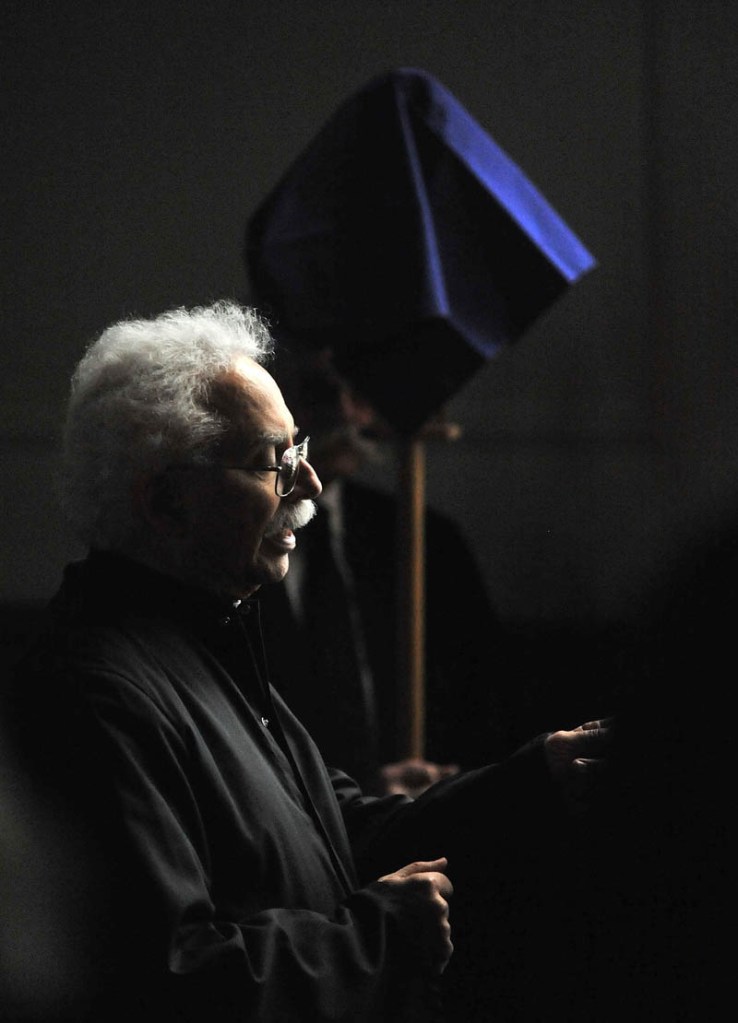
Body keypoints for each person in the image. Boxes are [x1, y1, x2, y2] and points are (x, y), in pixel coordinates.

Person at [3, 299, 610, 1022]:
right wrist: (380, 933)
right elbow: (172, 979)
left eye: (300, 451)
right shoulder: (97, 691)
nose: (310, 486)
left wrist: (533, 779)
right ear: (166, 504)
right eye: (272, 461)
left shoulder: (207, 638)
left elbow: (336, 832)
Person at [258, 341, 523, 795]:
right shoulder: (237, 549)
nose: (345, 413)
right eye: (320, 393)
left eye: (359, 393)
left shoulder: (424, 542)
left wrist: (443, 796)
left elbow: (488, 712)